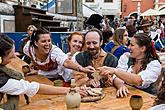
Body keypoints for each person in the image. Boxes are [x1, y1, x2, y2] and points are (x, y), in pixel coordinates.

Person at [0, 34, 87, 109]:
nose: (15, 57)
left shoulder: (57, 53)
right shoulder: (2, 79)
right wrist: (70, 90)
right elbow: (30, 87)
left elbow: (65, 64)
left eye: (49, 41)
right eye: (11, 56)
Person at [23, 27, 95, 84]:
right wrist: (33, 63)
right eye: (43, 41)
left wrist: (82, 69)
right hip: (44, 78)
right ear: (35, 43)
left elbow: (66, 63)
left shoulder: (55, 51)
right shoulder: (28, 49)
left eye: (49, 40)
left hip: (55, 79)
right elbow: (31, 56)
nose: (47, 44)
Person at [99, 33, 161, 97]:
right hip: (128, 96)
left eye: (132, 45)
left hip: (147, 100)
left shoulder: (154, 65)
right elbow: (117, 77)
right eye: (129, 44)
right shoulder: (126, 57)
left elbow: (138, 81)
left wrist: (115, 71)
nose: (129, 47)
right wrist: (121, 86)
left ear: (142, 48)